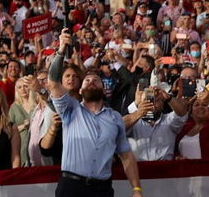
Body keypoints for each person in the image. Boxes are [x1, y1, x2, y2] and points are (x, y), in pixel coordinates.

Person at [49, 29, 142, 197]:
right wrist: (61, 49)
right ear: (81, 89)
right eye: (87, 80)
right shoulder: (70, 109)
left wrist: (136, 189)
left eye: (96, 80)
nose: (91, 81)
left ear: (103, 88)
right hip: (71, 187)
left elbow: (126, 156)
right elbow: (53, 82)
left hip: (102, 189)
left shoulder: (114, 118)